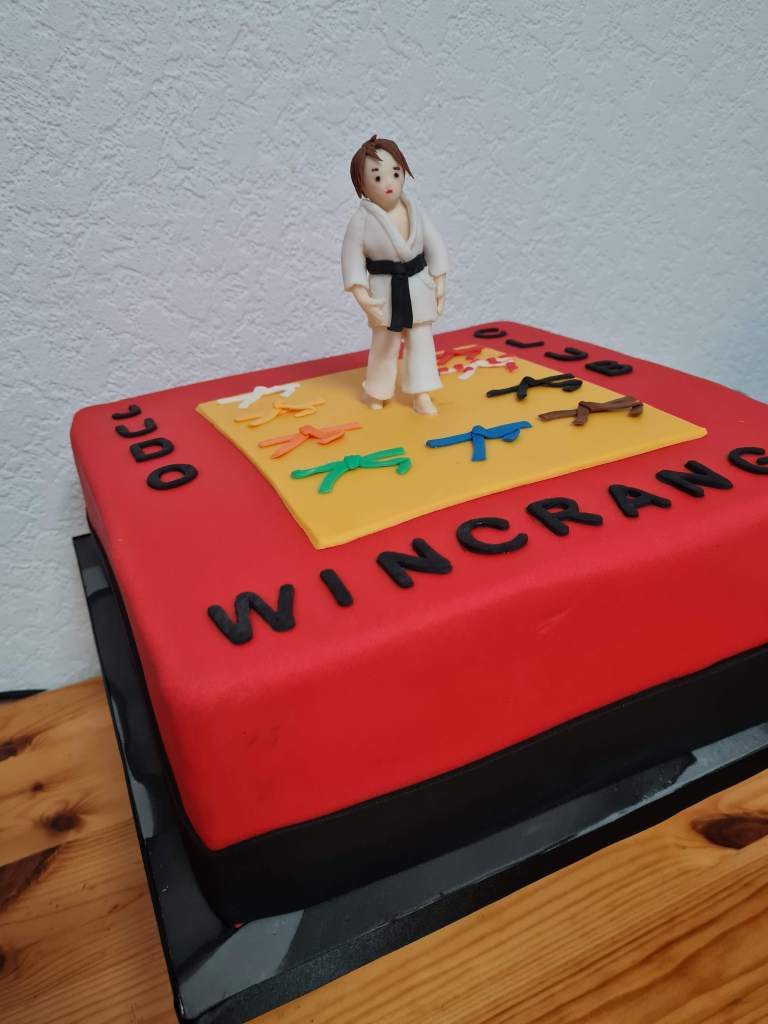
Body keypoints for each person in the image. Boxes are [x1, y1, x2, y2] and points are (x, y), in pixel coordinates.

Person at [341, 135, 449, 415]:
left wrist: (439, 279)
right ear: (362, 184)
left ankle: (422, 393)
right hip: (384, 289)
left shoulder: (415, 210)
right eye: (377, 177)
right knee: (384, 344)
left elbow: (434, 243)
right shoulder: (362, 220)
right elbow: (351, 259)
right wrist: (362, 295)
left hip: (417, 284)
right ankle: (376, 391)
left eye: (395, 173)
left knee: (421, 340)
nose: (388, 183)